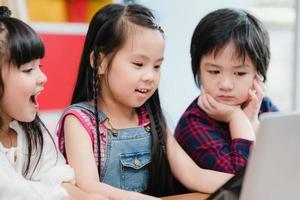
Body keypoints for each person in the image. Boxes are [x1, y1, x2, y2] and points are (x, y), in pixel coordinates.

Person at [56, 3, 234, 199]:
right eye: (138, 64)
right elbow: (89, 187)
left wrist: (247, 181)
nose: (150, 76)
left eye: (157, 66)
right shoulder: (79, 121)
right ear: (100, 62)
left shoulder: (151, 120)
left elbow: (194, 175)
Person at [0, 6, 107, 200]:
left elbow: (57, 176)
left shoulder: (30, 132)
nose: (43, 77)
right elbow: (12, 192)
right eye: (27, 70)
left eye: (39, 66)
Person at [174, 8, 279, 174]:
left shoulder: (263, 105)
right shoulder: (193, 124)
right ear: (199, 71)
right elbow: (238, 182)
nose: (226, 85)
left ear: (257, 75)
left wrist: (252, 121)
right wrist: (236, 117)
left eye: (240, 73)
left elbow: (285, 161)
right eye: (214, 72)